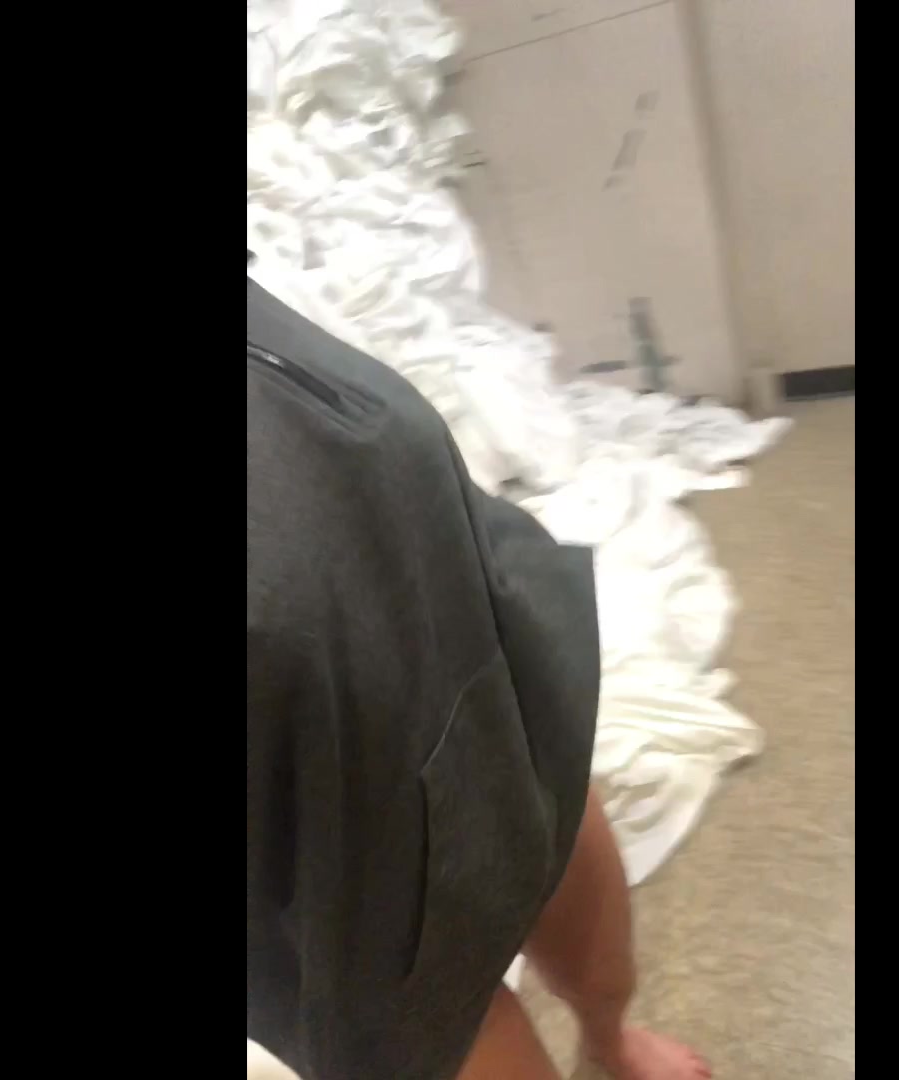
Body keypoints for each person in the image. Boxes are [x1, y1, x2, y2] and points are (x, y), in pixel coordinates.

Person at [247, 273, 709, 1079]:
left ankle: (609, 1040)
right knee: (417, 995)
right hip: (303, 781)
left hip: (441, 614)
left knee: (546, 819)